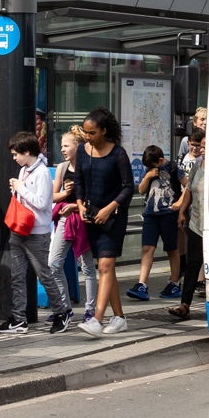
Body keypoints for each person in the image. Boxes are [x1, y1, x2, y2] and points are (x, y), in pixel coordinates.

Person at [74, 108, 132, 338]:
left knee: (105, 266)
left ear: (104, 131)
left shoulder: (118, 153)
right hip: (91, 216)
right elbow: (78, 181)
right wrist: (79, 205)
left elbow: (128, 187)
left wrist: (110, 208)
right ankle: (119, 317)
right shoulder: (82, 150)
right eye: (85, 132)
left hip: (113, 217)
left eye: (92, 132)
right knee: (107, 269)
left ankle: (96, 319)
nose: (88, 137)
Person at [3, 129, 63, 333]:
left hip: (37, 232)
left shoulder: (42, 173)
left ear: (27, 152)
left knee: (44, 275)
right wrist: (17, 190)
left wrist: (20, 189)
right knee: (17, 276)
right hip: (19, 228)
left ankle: (61, 313)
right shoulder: (24, 170)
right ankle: (19, 319)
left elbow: (42, 203)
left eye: (16, 154)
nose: (14, 157)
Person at [44, 125, 96, 330]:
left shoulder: (89, 167)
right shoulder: (62, 168)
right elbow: (52, 196)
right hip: (65, 220)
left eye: (66, 145)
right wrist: (65, 196)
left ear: (78, 146)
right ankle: (64, 308)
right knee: (54, 263)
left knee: (88, 267)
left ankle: (90, 309)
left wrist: (74, 206)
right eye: (61, 146)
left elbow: (96, 198)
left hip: (84, 219)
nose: (63, 149)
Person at [126, 144, 182, 301]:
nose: (150, 168)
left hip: (169, 214)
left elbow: (187, 185)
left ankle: (175, 282)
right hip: (151, 215)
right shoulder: (149, 169)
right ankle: (142, 284)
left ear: (161, 160)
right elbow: (142, 190)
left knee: (172, 249)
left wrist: (180, 205)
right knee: (147, 248)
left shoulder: (172, 167)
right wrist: (149, 175)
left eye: (153, 165)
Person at [168, 119, 207, 322]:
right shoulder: (198, 167)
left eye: (204, 147)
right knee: (193, 263)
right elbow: (189, 191)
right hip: (196, 222)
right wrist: (182, 211)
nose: (201, 150)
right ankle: (185, 304)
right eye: (200, 147)